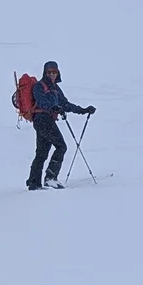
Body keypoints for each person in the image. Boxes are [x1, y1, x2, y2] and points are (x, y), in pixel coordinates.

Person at [28, 61, 95, 190]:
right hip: (42, 119)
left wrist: (83, 110)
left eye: (54, 72)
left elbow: (65, 104)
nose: (52, 74)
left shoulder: (55, 89)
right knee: (61, 146)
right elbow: (41, 102)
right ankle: (50, 178)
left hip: (46, 120)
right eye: (49, 72)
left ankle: (33, 183)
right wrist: (54, 107)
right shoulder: (39, 86)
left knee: (42, 153)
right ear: (45, 72)